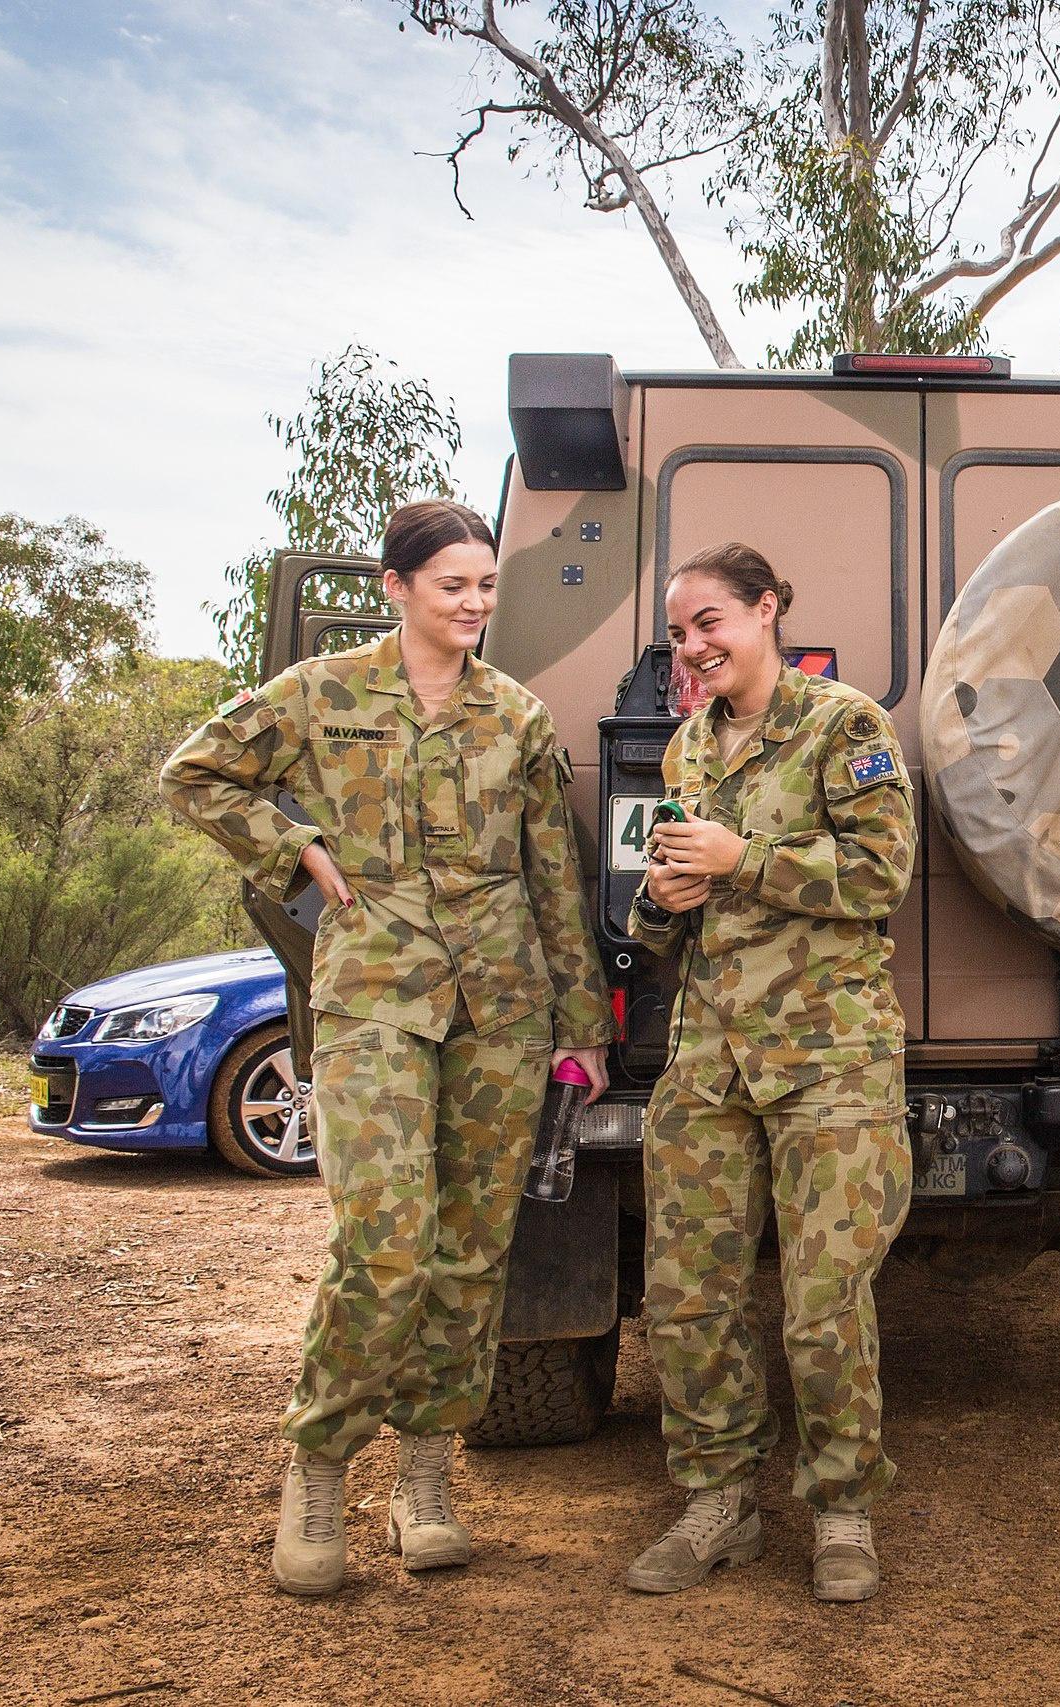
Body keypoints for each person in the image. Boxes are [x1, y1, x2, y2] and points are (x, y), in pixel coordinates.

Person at [160, 498, 612, 1597]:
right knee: (386, 1239)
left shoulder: (515, 716)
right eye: (453, 584)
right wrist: (299, 846)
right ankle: (318, 1466)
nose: (473, 604)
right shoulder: (321, 695)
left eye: (486, 586)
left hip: (501, 1008)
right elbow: (196, 772)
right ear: (396, 588)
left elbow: (555, 874)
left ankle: (424, 1476)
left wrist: (582, 1021)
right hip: (373, 997)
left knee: (469, 1252)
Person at [620, 541, 916, 1605]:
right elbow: (666, 902)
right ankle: (718, 1503)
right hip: (708, 1055)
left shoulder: (845, 726)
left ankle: (841, 1510)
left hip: (827, 1053)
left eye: (711, 622)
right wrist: (662, 903)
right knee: (687, 1293)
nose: (693, 647)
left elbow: (885, 874)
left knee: (822, 1298)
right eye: (679, 632)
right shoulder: (685, 749)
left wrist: (745, 862)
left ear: (766, 610)